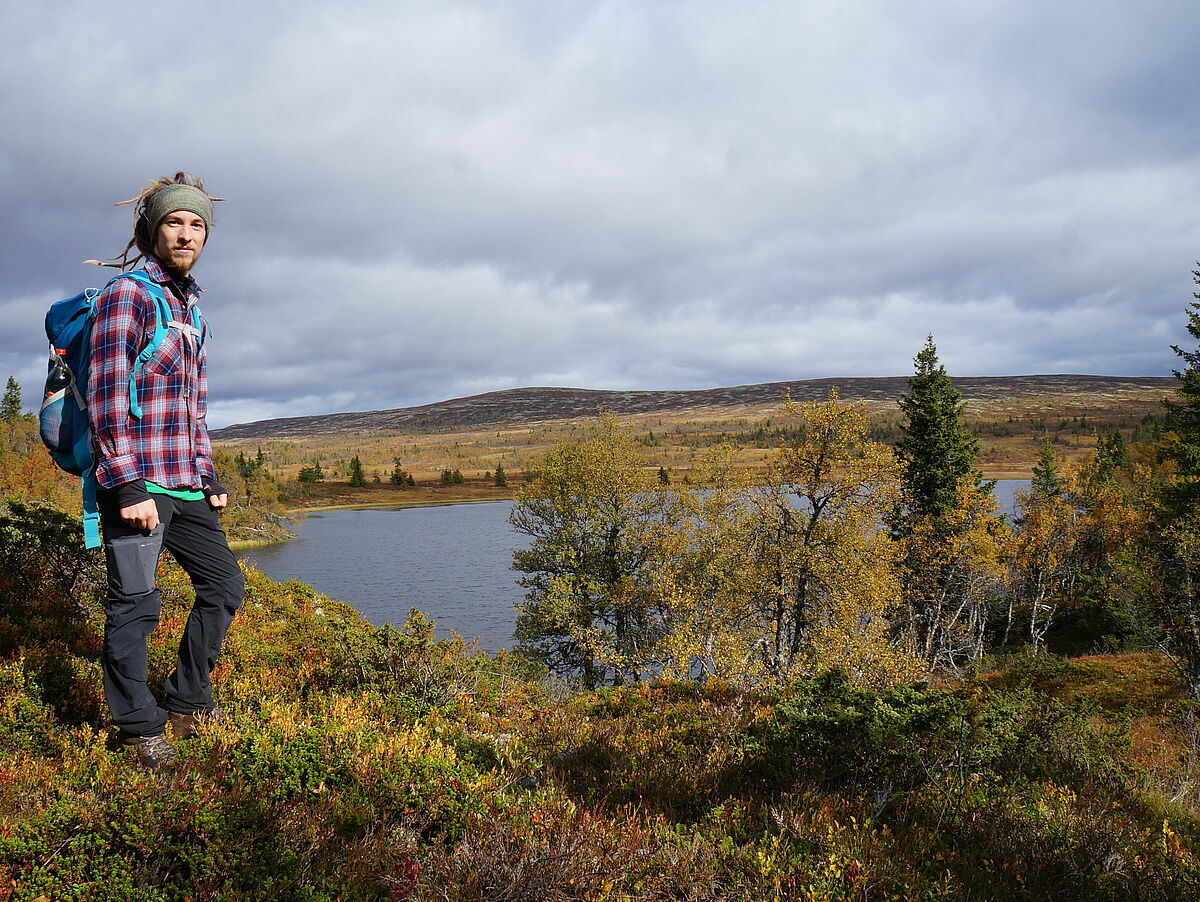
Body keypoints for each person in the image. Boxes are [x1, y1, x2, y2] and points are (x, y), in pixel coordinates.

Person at [87, 172, 243, 768]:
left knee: (225, 588)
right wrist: (125, 483)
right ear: (152, 229)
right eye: (174, 222)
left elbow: (193, 406)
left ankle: (186, 698)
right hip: (137, 486)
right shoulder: (127, 295)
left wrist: (209, 477)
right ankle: (136, 725)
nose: (186, 233)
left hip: (185, 484)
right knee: (135, 604)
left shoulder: (192, 309)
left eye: (196, 223)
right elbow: (105, 392)